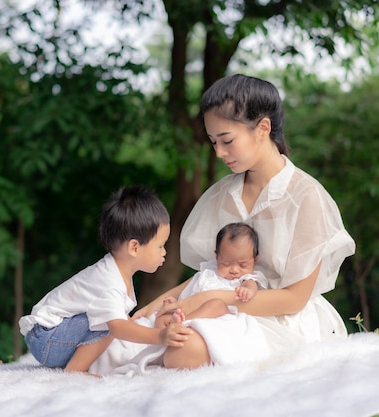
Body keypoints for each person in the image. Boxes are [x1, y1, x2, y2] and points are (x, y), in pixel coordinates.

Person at [136, 74, 355, 369]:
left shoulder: (305, 196)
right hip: (218, 309)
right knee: (141, 331)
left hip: (280, 321)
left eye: (227, 140)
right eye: (213, 142)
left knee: (182, 348)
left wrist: (213, 298)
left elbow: (293, 300)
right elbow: (213, 271)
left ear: (263, 128)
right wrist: (154, 305)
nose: (218, 153)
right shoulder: (222, 195)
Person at [19, 185, 192, 375]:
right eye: (160, 245)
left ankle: (78, 365)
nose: (164, 252)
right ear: (134, 247)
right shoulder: (110, 283)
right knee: (113, 323)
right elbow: (118, 328)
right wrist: (160, 336)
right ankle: (75, 371)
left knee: (115, 320)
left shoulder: (116, 272)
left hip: (51, 337)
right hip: (46, 338)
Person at [154, 222, 268, 328]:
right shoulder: (210, 270)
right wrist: (178, 302)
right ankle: (166, 335)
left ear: (255, 260)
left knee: (216, 304)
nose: (234, 269)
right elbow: (193, 289)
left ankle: (182, 323)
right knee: (160, 318)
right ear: (217, 257)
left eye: (242, 265)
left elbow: (251, 285)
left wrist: (247, 290)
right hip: (191, 308)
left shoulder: (246, 277)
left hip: (219, 315)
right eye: (226, 263)